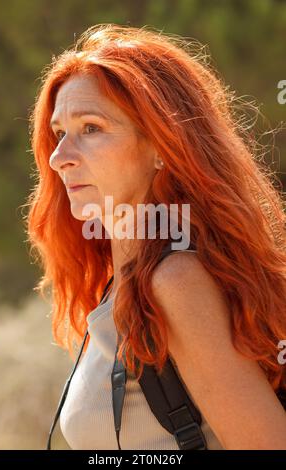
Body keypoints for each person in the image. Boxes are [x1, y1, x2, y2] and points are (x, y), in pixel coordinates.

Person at [27, 23, 286, 450]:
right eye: (59, 133)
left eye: (91, 128)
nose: (59, 157)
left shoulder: (176, 280)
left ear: (163, 145)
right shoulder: (119, 287)